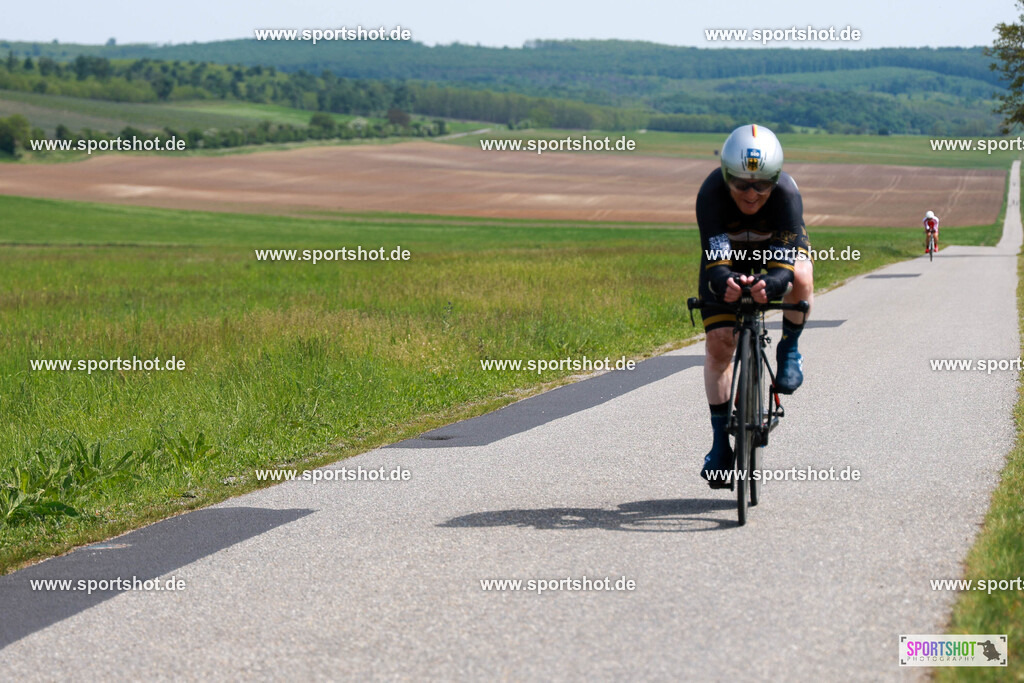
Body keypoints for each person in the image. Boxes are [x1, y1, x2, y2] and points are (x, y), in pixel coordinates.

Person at [695, 124, 814, 487]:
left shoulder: (787, 197)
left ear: (775, 179)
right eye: (742, 184)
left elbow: (783, 269)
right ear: (726, 176)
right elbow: (715, 261)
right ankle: (720, 446)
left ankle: (790, 348)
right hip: (728, 258)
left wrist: (773, 283)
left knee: (803, 275)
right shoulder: (711, 194)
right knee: (719, 344)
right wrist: (723, 282)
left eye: (762, 184)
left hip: (774, 251)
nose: (751, 194)